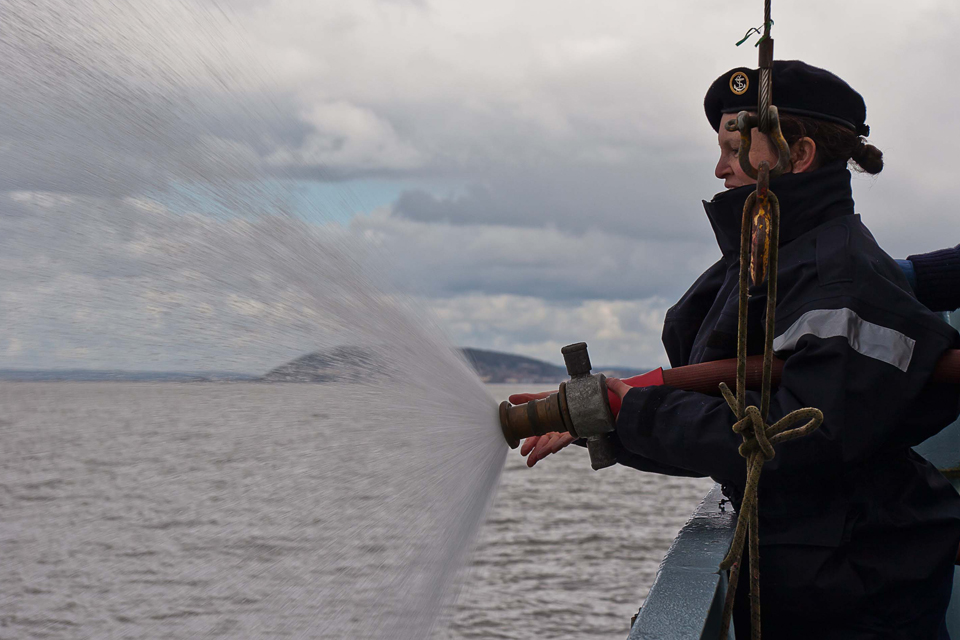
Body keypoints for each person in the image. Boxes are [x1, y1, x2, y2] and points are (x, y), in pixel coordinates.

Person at [514, 61, 960, 639]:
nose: (720, 167)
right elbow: (731, 430)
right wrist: (612, 423)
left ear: (797, 156)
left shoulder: (841, 278)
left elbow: (795, 437)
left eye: (734, 148)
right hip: (814, 571)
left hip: (856, 591)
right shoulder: (765, 262)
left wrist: (633, 409)